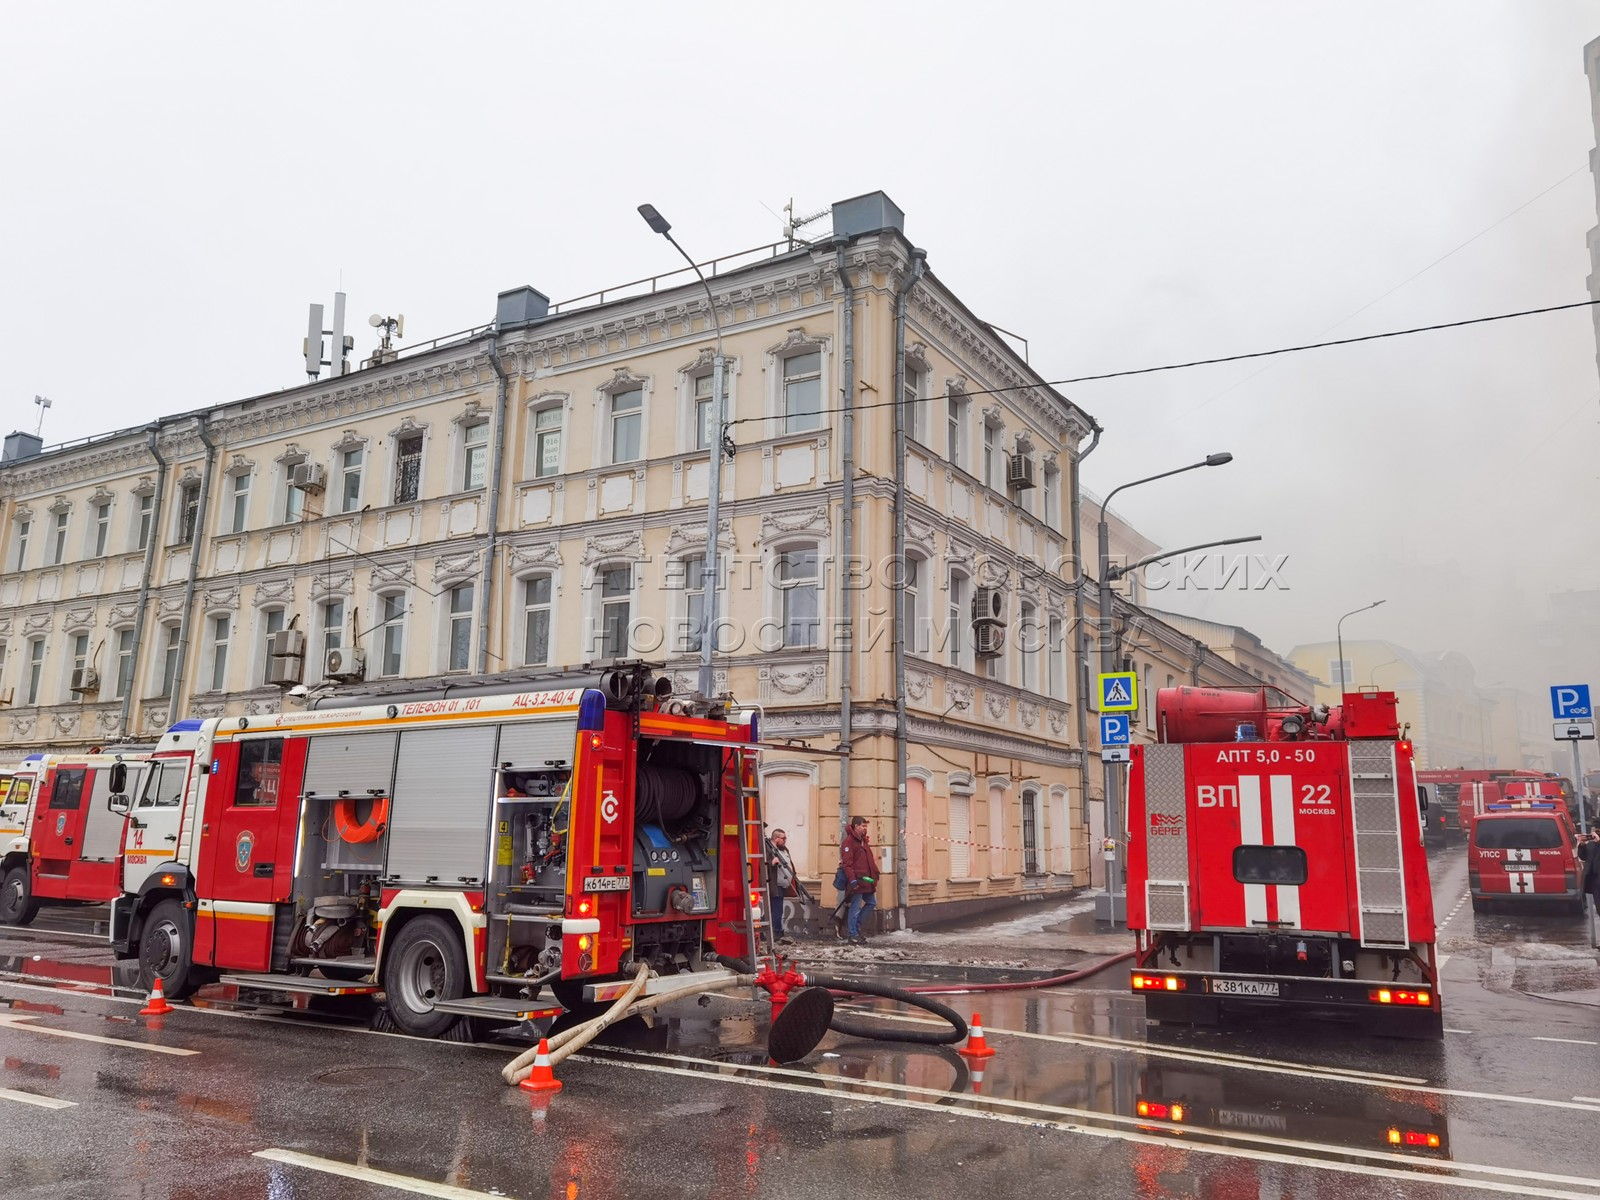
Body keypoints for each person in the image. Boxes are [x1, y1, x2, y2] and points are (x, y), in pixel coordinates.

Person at [839, 815, 880, 946]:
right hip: (857, 881)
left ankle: (856, 927)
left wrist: (874, 875)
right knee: (855, 908)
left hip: (867, 881)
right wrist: (852, 881)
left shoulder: (863, 841)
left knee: (872, 903)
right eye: (863, 826)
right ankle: (853, 934)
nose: (865, 828)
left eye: (866, 826)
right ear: (856, 826)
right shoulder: (849, 842)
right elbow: (847, 864)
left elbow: (869, 861)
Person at [765, 828, 798, 945]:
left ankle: (769, 932)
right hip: (774, 885)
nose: (785, 840)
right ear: (776, 838)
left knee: (774, 910)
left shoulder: (783, 849)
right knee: (776, 910)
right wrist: (771, 863)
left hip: (783, 885)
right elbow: (761, 864)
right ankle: (776, 932)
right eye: (783, 838)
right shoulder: (768, 849)